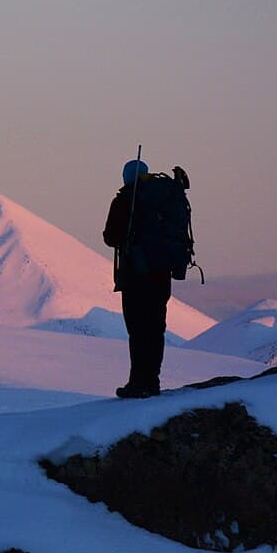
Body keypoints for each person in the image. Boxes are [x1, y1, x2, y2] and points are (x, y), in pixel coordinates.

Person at [103, 158, 171, 398]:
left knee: (138, 330)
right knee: (155, 329)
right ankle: (152, 382)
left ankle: (137, 382)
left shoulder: (125, 200)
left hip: (135, 276)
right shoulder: (164, 199)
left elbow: (110, 237)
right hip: (162, 275)